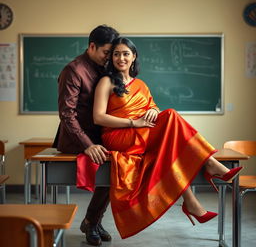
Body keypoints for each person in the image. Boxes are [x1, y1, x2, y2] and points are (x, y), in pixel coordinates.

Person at [92, 37, 242, 239]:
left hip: (141, 133)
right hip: (118, 135)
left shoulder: (141, 84)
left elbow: (152, 107)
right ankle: (209, 165)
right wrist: (133, 123)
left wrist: (153, 110)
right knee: (171, 117)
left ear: (134, 57)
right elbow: (98, 117)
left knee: (168, 132)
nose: (121, 58)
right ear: (111, 58)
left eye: (126, 53)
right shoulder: (106, 81)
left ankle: (192, 201)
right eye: (116, 53)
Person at [53, 25, 119, 246]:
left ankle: (93, 220)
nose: (110, 57)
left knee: (120, 167)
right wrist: (88, 145)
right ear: (92, 46)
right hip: (76, 140)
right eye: (107, 52)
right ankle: (92, 222)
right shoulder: (73, 70)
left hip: (100, 136)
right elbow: (66, 114)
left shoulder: (105, 68)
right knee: (110, 169)